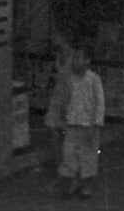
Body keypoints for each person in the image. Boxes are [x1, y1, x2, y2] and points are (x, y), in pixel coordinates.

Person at [45, 42, 105, 198]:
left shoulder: (94, 79)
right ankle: (72, 183)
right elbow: (63, 100)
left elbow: (100, 103)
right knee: (69, 155)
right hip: (72, 125)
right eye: (75, 58)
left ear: (87, 61)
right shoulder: (68, 79)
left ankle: (87, 186)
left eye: (80, 58)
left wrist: (96, 123)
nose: (76, 61)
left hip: (89, 126)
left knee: (88, 156)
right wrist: (60, 119)